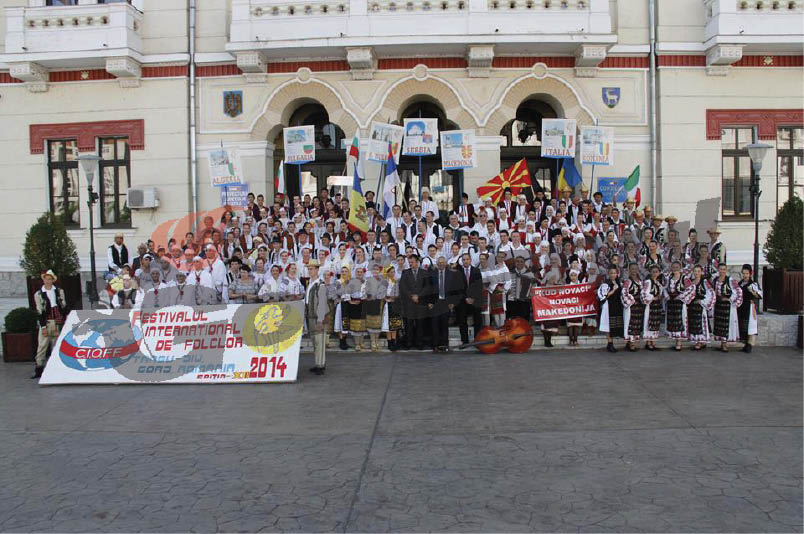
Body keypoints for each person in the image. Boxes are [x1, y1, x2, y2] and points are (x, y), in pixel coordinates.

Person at [31, 270, 69, 379]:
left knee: (56, 346)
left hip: (57, 321)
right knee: (42, 346)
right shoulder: (38, 294)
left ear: (53, 280)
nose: (48, 281)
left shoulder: (59, 291)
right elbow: (40, 311)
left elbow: (63, 306)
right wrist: (43, 326)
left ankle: (55, 368)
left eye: (50, 279)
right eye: (46, 279)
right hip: (47, 322)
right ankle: (39, 369)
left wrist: (63, 318)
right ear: (43, 279)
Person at [428, 256, 459, 352]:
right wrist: (429, 302)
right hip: (435, 303)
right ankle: (435, 345)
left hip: (446, 303)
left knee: (444, 324)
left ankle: (444, 344)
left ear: (446, 263)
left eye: (442, 262)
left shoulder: (451, 274)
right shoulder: (432, 274)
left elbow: (455, 289)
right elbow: (428, 289)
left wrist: (453, 302)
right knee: (434, 325)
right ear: (437, 264)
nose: (441, 264)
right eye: (439, 262)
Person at [305, 260, 330, 375]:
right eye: (309, 269)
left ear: (317, 270)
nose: (310, 271)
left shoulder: (320, 284)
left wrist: (320, 320)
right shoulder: (310, 283)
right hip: (310, 316)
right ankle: (318, 363)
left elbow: (322, 304)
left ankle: (320, 365)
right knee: (315, 341)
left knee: (319, 341)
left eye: (312, 268)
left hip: (317, 317)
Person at [399, 255, 429, 350]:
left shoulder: (424, 273)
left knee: (420, 324)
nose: (411, 264)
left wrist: (419, 296)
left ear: (417, 262)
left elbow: (427, 287)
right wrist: (411, 296)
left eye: (412, 262)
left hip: (420, 303)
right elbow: (403, 287)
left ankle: (419, 343)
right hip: (409, 303)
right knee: (409, 324)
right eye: (410, 262)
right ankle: (409, 342)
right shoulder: (405, 272)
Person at [712, 263, 743, 352]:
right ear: (718, 270)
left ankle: (725, 344)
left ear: (726, 270)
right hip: (718, 305)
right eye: (721, 269)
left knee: (726, 324)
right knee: (719, 324)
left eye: (724, 269)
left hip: (727, 306)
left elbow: (738, 291)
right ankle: (722, 343)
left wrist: (729, 299)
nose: (722, 271)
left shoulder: (730, 280)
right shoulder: (715, 280)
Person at [685, 264, 714, 350]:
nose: (696, 273)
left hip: (700, 306)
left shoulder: (704, 281)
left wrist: (702, 301)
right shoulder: (691, 281)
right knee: (694, 323)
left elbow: (711, 292)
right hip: (692, 306)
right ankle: (697, 340)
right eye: (695, 271)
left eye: (698, 271)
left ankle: (701, 341)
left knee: (701, 323)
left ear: (701, 272)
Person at [456, 253, 483, 346]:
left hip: (475, 300)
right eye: (463, 260)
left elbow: (479, 286)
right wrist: (466, 298)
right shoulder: (458, 272)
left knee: (478, 320)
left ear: (470, 260)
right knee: (462, 320)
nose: (465, 261)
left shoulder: (476, 271)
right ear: (462, 261)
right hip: (463, 300)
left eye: (467, 259)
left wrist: (472, 298)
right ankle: (465, 340)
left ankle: (477, 340)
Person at [737, 264, 763, 353]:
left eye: (747, 273)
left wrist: (753, 293)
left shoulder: (753, 284)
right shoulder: (740, 283)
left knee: (750, 325)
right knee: (743, 325)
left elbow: (759, 295)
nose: (745, 275)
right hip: (741, 307)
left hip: (749, 307)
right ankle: (745, 343)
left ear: (750, 274)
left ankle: (750, 344)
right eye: (743, 273)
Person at [598, 266, 624, 352]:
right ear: (608, 274)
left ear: (617, 274)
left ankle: (611, 343)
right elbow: (604, 296)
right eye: (611, 273)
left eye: (614, 273)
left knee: (614, 325)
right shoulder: (606, 283)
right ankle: (610, 343)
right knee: (609, 325)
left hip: (617, 306)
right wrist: (613, 290)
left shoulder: (619, 283)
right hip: (609, 306)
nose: (613, 275)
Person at [364, 263, 388, 352]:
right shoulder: (368, 280)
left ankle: (376, 340)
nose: (375, 271)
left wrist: (375, 295)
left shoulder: (383, 280)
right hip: (370, 302)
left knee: (378, 322)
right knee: (371, 321)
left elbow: (383, 290)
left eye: (377, 269)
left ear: (380, 270)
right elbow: (365, 290)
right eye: (373, 269)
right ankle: (372, 341)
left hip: (379, 302)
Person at [621, 263, 645, 351]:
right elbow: (624, 293)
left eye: (635, 269)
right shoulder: (627, 281)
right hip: (631, 306)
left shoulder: (640, 281)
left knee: (636, 324)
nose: (634, 271)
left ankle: (632, 341)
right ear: (629, 270)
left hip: (639, 307)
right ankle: (631, 343)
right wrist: (631, 301)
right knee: (630, 324)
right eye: (632, 269)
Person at [664, 260, 687, 351]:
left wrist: (681, 296)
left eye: (677, 267)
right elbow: (664, 288)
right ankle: (674, 338)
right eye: (673, 267)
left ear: (680, 268)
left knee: (679, 321)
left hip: (679, 303)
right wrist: (667, 297)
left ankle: (679, 342)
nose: (675, 269)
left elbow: (690, 289)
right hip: (671, 302)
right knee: (673, 321)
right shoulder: (669, 278)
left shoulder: (684, 278)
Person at [641, 264, 665, 350]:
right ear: (650, 272)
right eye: (653, 272)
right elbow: (644, 293)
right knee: (649, 322)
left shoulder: (658, 283)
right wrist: (653, 297)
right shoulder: (648, 282)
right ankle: (648, 342)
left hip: (657, 306)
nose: (655, 273)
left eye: (656, 272)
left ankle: (653, 342)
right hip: (650, 305)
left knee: (655, 323)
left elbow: (661, 294)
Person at [566, 269, 584, 346]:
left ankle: (575, 340)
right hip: (570, 307)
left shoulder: (581, 285)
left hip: (578, 307)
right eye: (572, 275)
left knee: (576, 325)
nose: (573, 277)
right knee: (570, 325)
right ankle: (571, 340)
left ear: (577, 276)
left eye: (575, 275)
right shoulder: (567, 285)